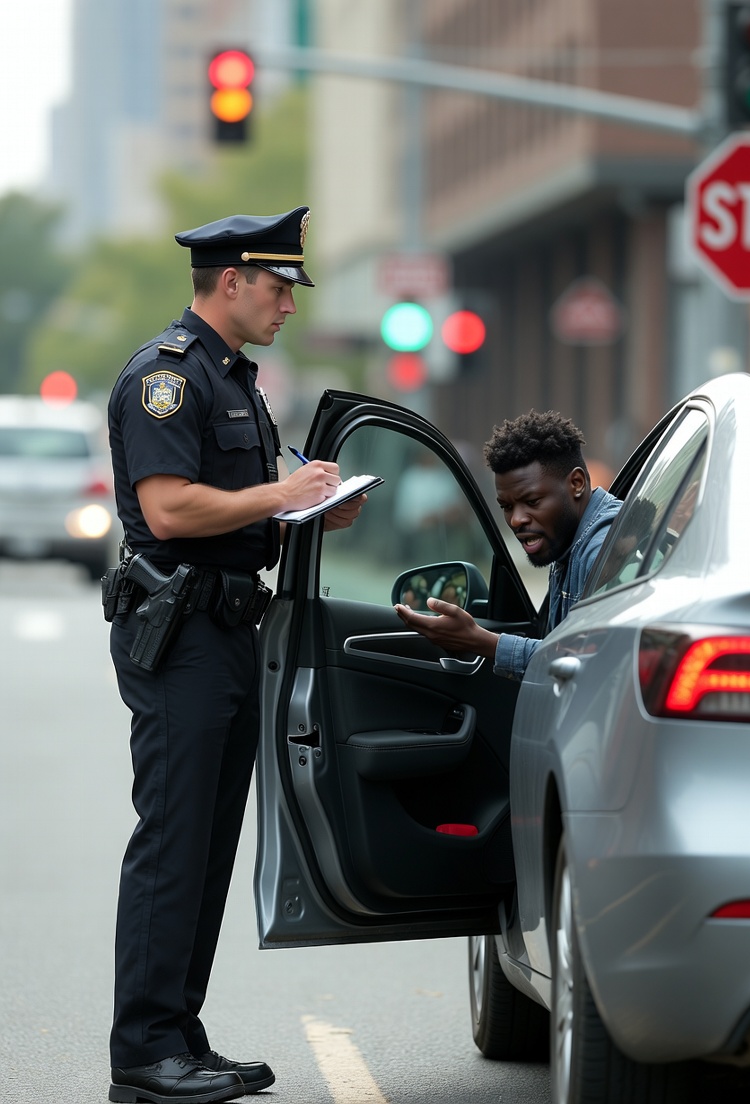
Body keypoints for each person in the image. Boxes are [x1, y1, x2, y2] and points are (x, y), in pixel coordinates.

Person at [105, 207, 364, 1104]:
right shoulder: (166, 381)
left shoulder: (235, 382)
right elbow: (171, 510)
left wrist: (306, 504)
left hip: (225, 631)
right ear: (232, 281)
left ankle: (179, 1035)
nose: (289, 302)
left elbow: (244, 504)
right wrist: (277, 494)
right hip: (177, 636)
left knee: (209, 845)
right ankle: (142, 1051)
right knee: (174, 840)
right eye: (279, 285)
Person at [395, 409, 621, 679]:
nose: (516, 520)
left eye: (532, 502)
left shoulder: (604, 550)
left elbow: (591, 664)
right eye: (506, 506)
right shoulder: (566, 538)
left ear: (576, 483)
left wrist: (481, 641)